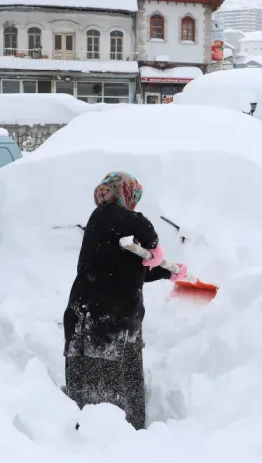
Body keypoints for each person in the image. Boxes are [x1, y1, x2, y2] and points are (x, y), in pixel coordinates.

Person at [63, 171, 188, 430]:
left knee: (123, 384)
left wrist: (169, 271)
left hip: (119, 320)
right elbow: (139, 224)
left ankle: (129, 433)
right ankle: (94, 437)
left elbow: (135, 269)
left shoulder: (115, 231)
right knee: (102, 388)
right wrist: (154, 245)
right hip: (98, 318)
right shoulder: (105, 215)